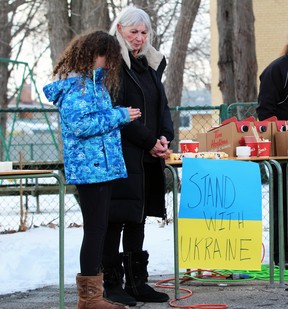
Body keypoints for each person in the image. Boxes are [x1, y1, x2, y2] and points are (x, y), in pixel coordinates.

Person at [43, 30, 141, 309]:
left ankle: (93, 296)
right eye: (106, 57)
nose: (109, 64)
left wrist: (117, 117)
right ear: (91, 54)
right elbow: (80, 126)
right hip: (90, 170)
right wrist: (119, 115)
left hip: (101, 168)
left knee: (98, 229)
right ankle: (90, 299)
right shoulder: (77, 87)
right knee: (95, 230)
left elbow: (95, 120)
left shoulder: (93, 85)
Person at [102, 6, 174, 306]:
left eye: (144, 33)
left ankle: (137, 282)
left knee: (138, 219)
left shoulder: (148, 66)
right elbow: (117, 113)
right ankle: (111, 282)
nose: (139, 38)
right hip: (121, 157)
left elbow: (161, 107)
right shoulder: (111, 66)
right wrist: (148, 141)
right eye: (134, 32)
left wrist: (164, 137)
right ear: (119, 30)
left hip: (146, 157)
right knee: (115, 220)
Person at [256, 44, 288, 268]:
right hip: (283, 150)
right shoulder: (277, 70)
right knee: (284, 202)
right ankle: (282, 255)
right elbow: (265, 112)